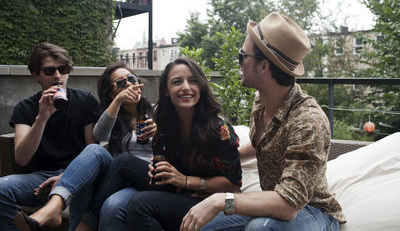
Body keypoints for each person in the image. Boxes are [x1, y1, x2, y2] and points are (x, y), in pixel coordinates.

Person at [180, 12, 346, 231]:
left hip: (312, 210)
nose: (238, 62)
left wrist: (221, 200)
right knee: (199, 224)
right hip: (274, 203)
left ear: (263, 66)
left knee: (260, 228)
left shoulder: (308, 121)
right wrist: (219, 158)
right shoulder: (261, 101)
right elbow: (261, 145)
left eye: (242, 56)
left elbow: (289, 205)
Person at [80, 58, 242, 231]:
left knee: (138, 200)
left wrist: (186, 180)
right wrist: (158, 168)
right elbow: (101, 135)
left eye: (193, 81)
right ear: (166, 90)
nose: (186, 87)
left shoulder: (219, 129)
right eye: (177, 82)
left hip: (217, 202)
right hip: (179, 194)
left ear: (201, 86)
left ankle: (86, 223)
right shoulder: (167, 125)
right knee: (133, 196)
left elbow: (233, 184)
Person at [12, 62, 156, 231]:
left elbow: (177, 145)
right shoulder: (113, 116)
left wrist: (160, 130)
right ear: (111, 94)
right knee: (94, 150)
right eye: (121, 83)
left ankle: (75, 221)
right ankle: (55, 207)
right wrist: (118, 101)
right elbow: (100, 135)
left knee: (112, 200)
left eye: (131, 78)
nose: (130, 84)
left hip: (147, 174)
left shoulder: (157, 111)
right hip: (117, 179)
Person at [0, 42, 98, 231]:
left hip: (78, 173)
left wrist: (66, 177)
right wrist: (42, 117)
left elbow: (92, 149)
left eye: (63, 69)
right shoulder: (25, 108)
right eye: (49, 71)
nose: (58, 76)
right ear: (36, 75)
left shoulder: (85, 101)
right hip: (41, 179)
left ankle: (53, 210)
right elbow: (21, 158)